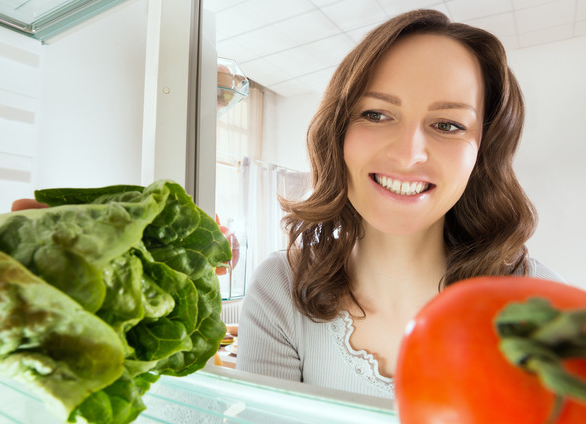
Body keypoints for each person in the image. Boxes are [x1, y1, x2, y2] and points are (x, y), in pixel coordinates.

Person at [234, 9, 564, 400]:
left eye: (447, 125)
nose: (408, 156)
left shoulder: (541, 304)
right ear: (337, 133)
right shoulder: (281, 288)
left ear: (483, 152)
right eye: (376, 115)